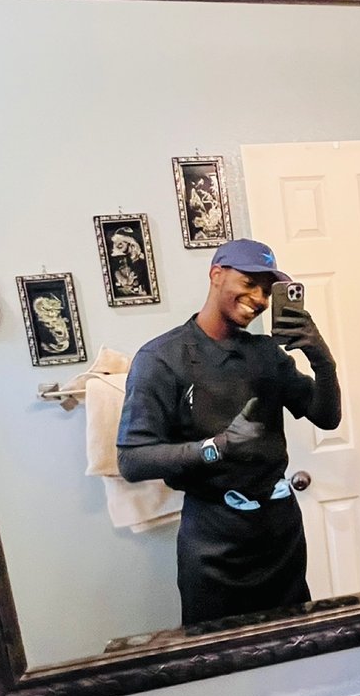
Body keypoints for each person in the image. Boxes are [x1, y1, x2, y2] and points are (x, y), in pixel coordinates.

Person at [115, 240, 341, 628]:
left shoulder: (266, 354)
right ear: (216, 274)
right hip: (213, 539)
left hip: (280, 531)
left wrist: (323, 361)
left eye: (267, 290)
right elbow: (132, 460)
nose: (259, 299)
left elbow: (326, 418)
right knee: (219, 660)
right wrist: (215, 449)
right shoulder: (162, 359)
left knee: (294, 646)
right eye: (250, 282)